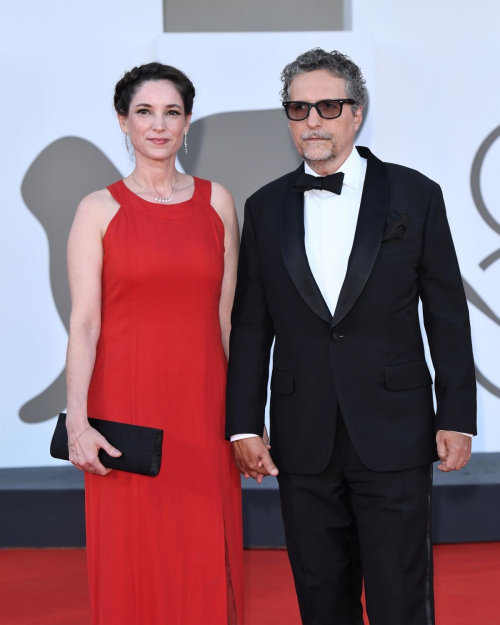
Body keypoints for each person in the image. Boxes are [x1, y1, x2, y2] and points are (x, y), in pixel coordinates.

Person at [226, 48, 476, 625]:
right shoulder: (263, 207)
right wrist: (243, 423)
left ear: (356, 114)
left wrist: (456, 415)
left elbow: (446, 313)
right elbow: (251, 322)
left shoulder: (416, 195)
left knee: (401, 598)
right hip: (302, 436)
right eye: (298, 108)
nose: (312, 121)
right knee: (320, 598)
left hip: (395, 429)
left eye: (327, 106)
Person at [65, 62, 243, 625]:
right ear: (123, 121)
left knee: (202, 550)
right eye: (144, 112)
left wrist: (243, 418)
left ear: (188, 122)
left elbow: (227, 318)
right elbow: (85, 323)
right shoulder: (98, 209)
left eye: (172, 112)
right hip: (125, 411)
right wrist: (77, 423)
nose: (158, 125)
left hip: (202, 406)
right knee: (133, 554)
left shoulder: (218, 203)